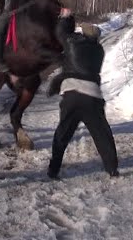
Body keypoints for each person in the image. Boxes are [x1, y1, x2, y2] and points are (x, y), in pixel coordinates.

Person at [46, 15, 119, 179]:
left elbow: (61, 32)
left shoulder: (73, 43)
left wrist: (66, 17)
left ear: (83, 34)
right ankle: (112, 168)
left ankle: (53, 169)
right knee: (102, 134)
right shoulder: (99, 51)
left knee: (62, 134)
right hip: (92, 97)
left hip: (71, 95)